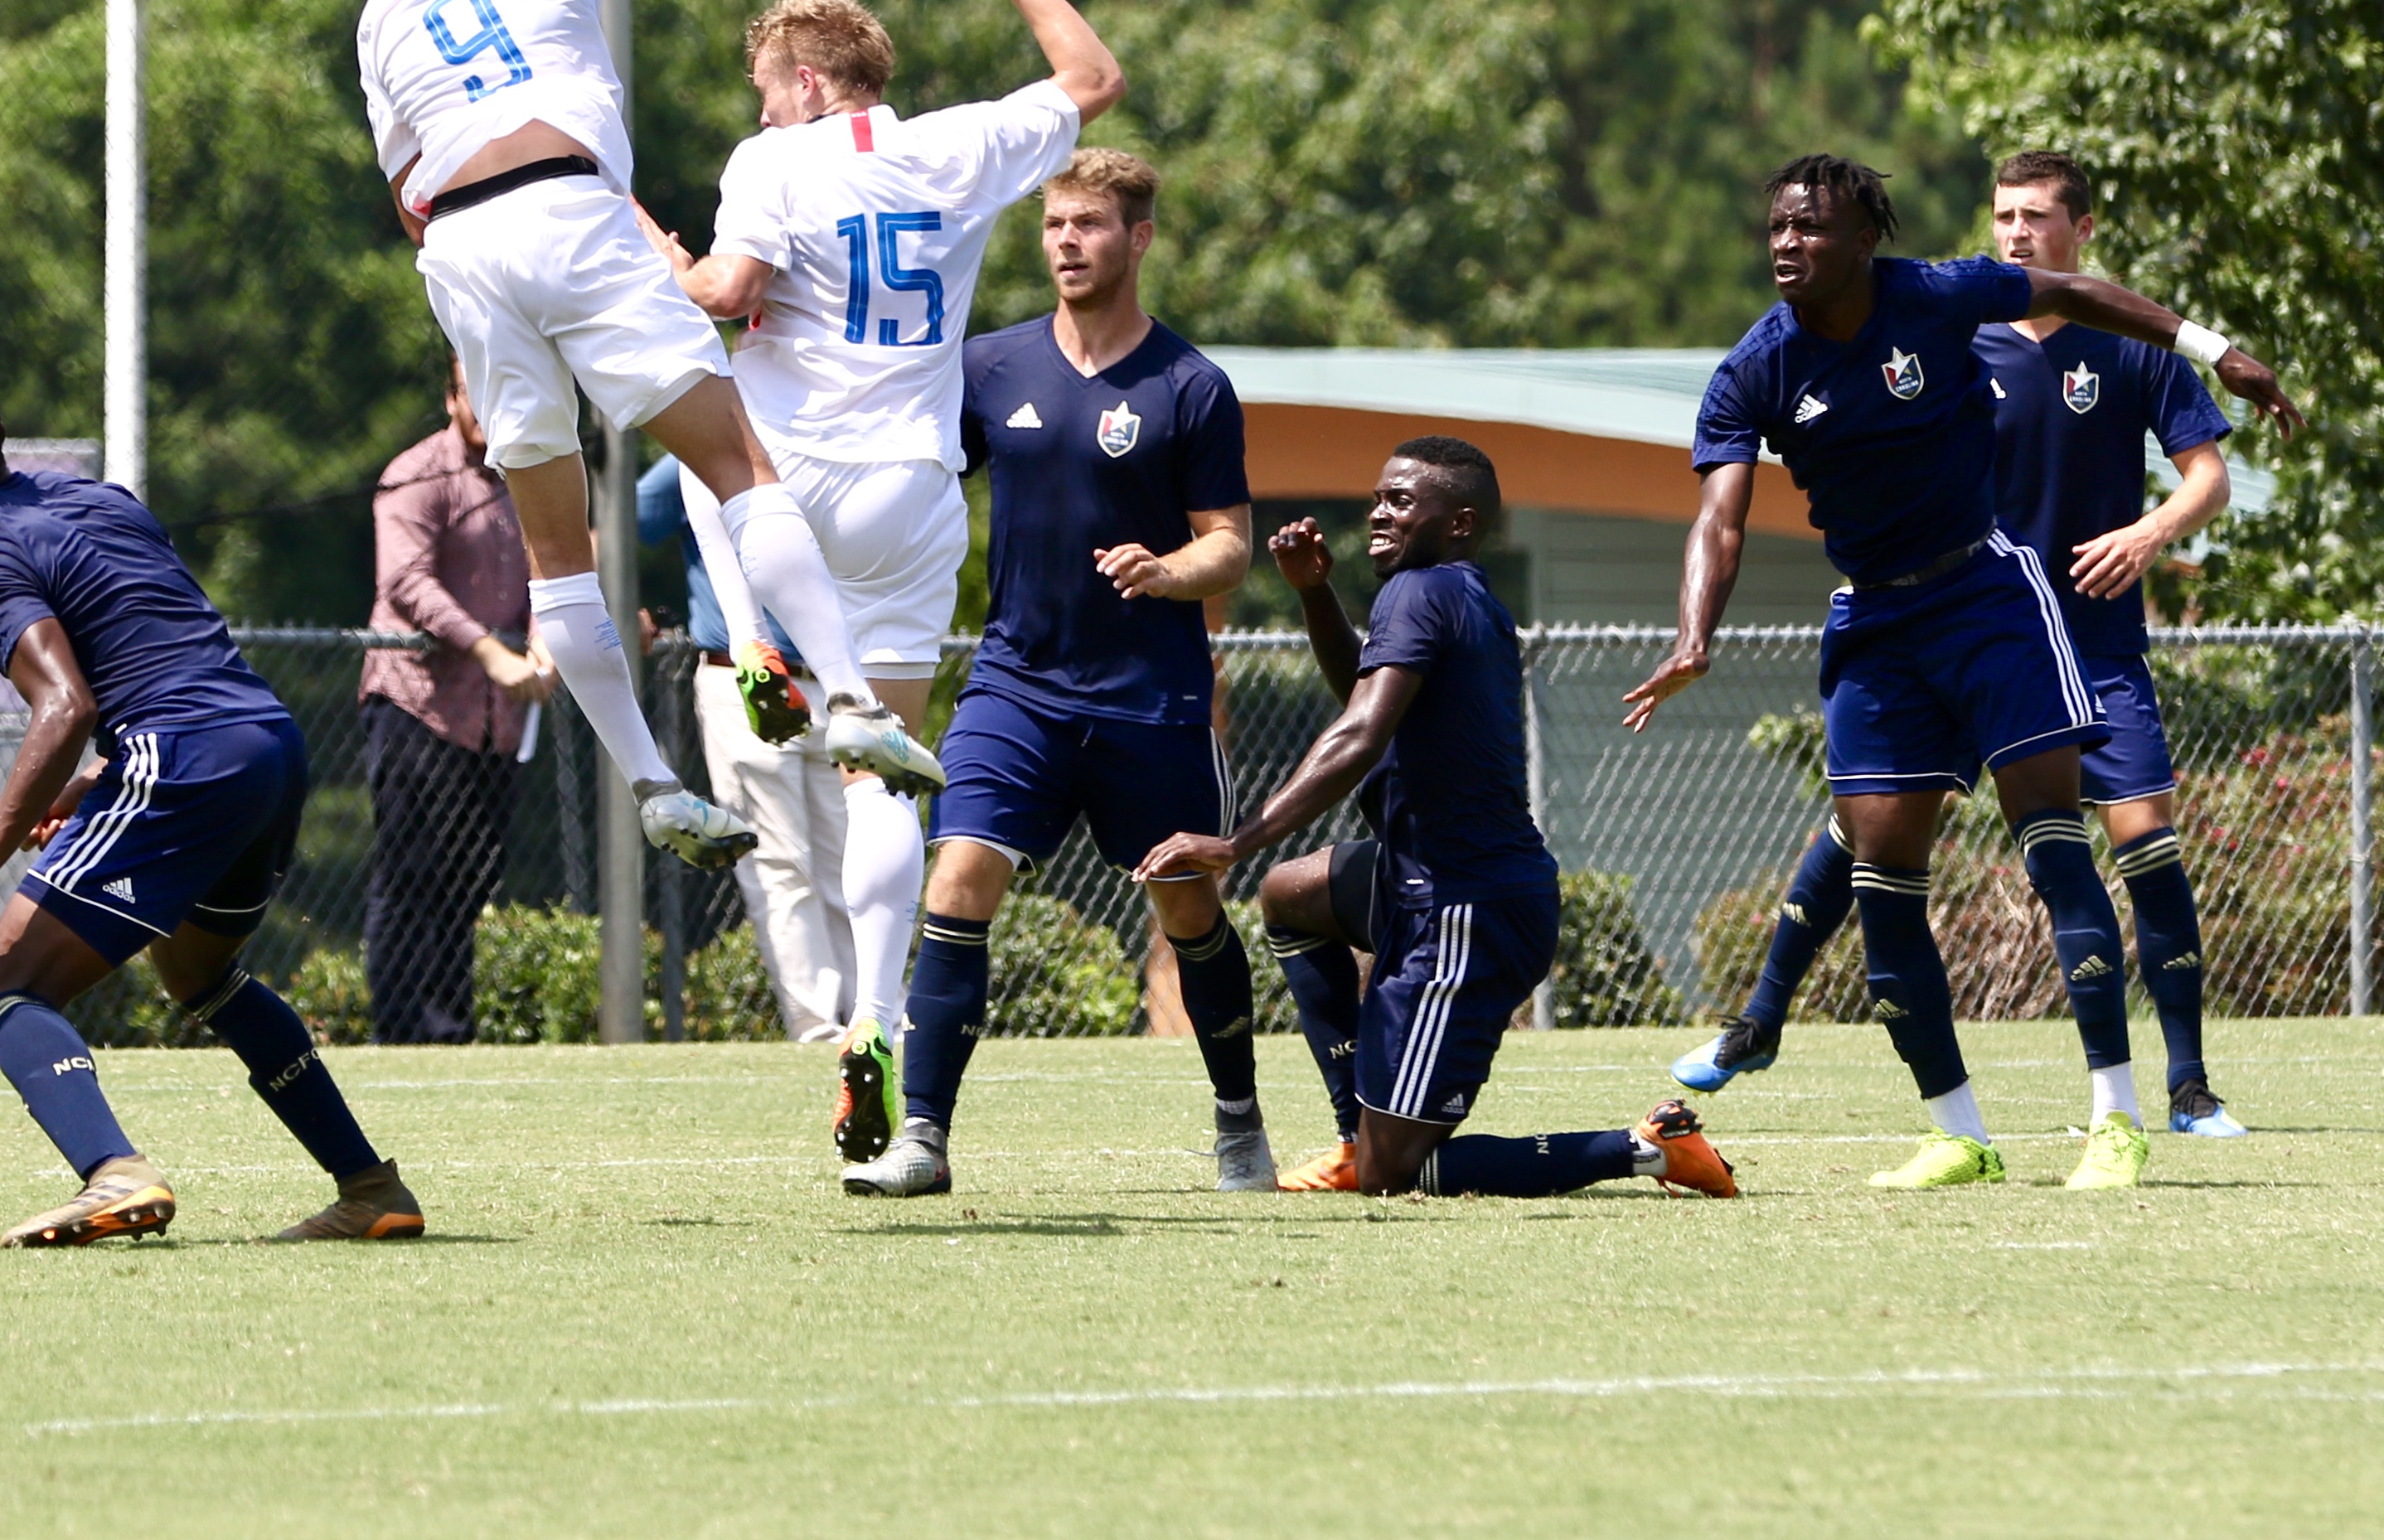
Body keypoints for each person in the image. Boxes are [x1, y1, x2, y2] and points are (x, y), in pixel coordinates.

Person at [1621, 155, 2299, 1192]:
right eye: (1774, 227)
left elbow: (2075, 292)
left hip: (1986, 594)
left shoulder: (1933, 293)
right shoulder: (1753, 368)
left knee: (2054, 846)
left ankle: (2117, 1116)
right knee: (1879, 872)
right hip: (1875, 618)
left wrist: (2221, 350)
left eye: (1808, 227)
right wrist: (1691, 634)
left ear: (1861, 240)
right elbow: (1718, 516)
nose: (1785, 243)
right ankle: (1956, 1131)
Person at [346, 0, 938, 880]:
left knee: (553, 548)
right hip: (568, 203)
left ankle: (653, 785)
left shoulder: (378, 15)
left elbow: (406, 199)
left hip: (462, 253)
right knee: (733, 461)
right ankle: (851, 695)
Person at [650, 0, 1125, 1164]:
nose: (757, 112)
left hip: (788, 487)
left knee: (689, 418)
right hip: (914, 487)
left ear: (806, 82)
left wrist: (654, 249)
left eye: (763, 88)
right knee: (881, 769)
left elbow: (727, 296)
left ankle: (753, 637)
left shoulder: (772, 165)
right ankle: (870, 1017)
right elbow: (1093, 77)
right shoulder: (956, 146)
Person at [0, 360, 419, 1248]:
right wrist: (100, 778)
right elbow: (161, 648)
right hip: (265, 737)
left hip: (183, 754)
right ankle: (370, 1186)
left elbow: (68, 703)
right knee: (197, 972)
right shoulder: (99, 499)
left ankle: (113, 1171)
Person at [1146, 439, 1740, 1199]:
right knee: (1291, 894)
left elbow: (1359, 736)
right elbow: (1366, 701)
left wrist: (1236, 841)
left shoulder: (1422, 591)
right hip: (1425, 878)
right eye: (1378, 496)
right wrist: (1315, 594)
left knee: (1398, 1174)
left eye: (1400, 500)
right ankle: (1353, 1136)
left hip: (1466, 907)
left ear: (1459, 522)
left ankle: (1649, 1147)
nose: (1378, 511)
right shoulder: (1452, 593)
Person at [846, 148, 1271, 1199]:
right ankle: (925, 1137)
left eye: (1088, 223)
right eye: (1052, 225)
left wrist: (1169, 568)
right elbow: (910, 478)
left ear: (1139, 237)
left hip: (1150, 698)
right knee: (959, 874)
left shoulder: (1189, 385)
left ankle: (1236, 1116)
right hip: (1015, 684)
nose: (1067, 242)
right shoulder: (987, 366)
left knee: (1186, 908)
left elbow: (1229, 542)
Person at [361, 363, 550, 1045]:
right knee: (411, 872)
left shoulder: (521, 479)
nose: (489, 407)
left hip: (493, 720)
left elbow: (548, 568)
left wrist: (539, 642)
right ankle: (403, 1032)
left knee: (468, 879)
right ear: (451, 398)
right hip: (418, 704)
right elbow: (407, 582)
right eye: (476, 391)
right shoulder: (415, 474)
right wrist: (489, 650)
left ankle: (448, 1031)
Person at [638, 449, 853, 1043]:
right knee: (782, 862)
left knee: (851, 858)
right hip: (744, 679)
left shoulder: (812, 434)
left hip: (833, 681)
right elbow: (620, 522)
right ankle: (815, 1023)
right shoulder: (694, 443)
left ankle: (874, 1012)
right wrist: (621, 600)